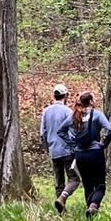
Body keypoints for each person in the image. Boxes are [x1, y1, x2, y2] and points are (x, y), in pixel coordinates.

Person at [57, 91, 111, 217]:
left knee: (87, 184)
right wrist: (104, 144)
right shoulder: (97, 114)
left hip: (80, 154)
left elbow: (61, 131)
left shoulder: (74, 116)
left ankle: (89, 212)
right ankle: (93, 206)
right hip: (95, 153)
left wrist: (72, 144)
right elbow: (109, 129)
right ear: (91, 101)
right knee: (100, 185)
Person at [40, 84, 75, 212]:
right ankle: (62, 198)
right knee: (74, 178)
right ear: (66, 96)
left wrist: (47, 147)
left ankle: (61, 209)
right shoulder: (68, 112)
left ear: (54, 96)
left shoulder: (46, 111)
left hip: (54, 150)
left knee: (59, 180)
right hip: (67, 151)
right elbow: (72, 132)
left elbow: (42, 132)